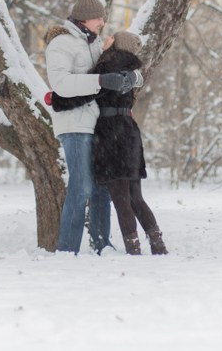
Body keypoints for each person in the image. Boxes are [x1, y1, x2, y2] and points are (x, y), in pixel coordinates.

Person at [53, 31, 167, 256]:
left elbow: (85, 91)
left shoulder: (107, 67)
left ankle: (133, 248)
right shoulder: (131, 71)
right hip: (129, 131)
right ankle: (157, 243)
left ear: (117, 44)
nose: (106, 39)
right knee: (135, 196)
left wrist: (56, 100)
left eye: (111, 38)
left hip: (110, 133)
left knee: (120, 197)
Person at [44, 0, 142, 254]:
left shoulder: (96, 44)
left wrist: (131, 77)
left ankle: (102, 245)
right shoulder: (61, 44)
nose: (102, 23)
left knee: (101, 185)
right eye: (99, 18)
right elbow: (61, 85)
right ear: (87, 17)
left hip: (99, 125)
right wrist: (101, 81)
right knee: (81, 185)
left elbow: (128, 67)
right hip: (74, 123)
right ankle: (68, 249)